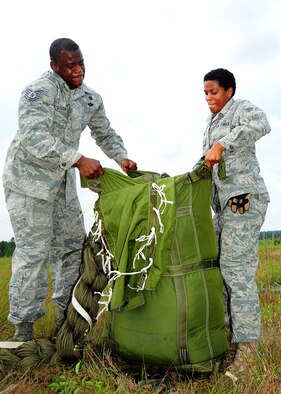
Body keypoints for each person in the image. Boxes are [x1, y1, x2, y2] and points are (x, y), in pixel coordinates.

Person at [2, 37, 137, 342]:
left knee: (73, 251)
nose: (78, 70)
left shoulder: (90, 98)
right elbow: (33, 135)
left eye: (81, 62)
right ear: (54, 66)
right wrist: (77, 159)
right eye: (70, 65)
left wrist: (122, 157)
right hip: (28, 182)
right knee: (34, 254)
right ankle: (22, 333)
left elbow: (104, 132)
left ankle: (67, 324)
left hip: (62, 185)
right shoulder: (39, 91)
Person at [202, 68, 270, 369]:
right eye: (205, 93)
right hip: (225, 207)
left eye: (213, 92)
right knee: (215, 266)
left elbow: (262, 123)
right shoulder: (210, 123)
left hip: (244, 199)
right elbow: (207, 161)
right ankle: (228, 340)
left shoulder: (241, 109)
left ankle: (247, 352)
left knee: (236, 271)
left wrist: (222, 144)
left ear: (229, 91)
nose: (208, 98)